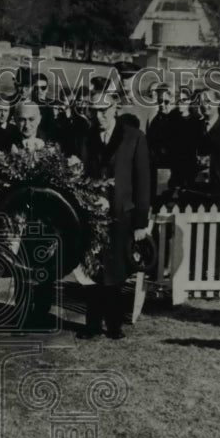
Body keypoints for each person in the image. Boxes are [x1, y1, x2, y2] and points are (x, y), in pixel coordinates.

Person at [78, 90, 152, 340]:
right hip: (93, 215)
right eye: (94, 111)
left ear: (115, 108)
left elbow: (143, 182)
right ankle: (92, 324)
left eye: (104, 110)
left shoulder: (134, 138)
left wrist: (141, 222)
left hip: (123, 216)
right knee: (93, 270)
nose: (99, 116)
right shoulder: (86, 138)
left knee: (117, 272)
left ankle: (114, 324)